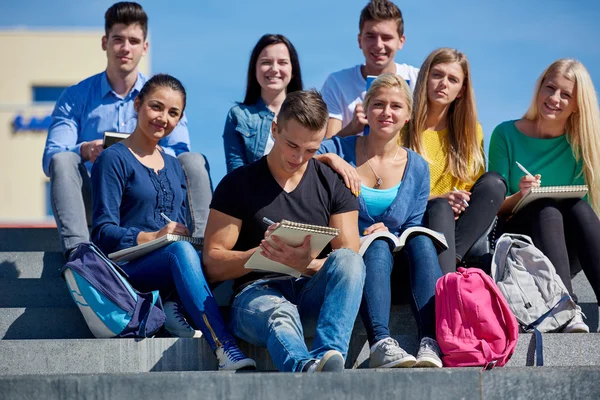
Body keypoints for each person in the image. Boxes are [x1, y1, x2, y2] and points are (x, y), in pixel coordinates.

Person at [91, 74, 256, 370]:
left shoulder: (174, 166)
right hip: (128, 269)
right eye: (156, 107)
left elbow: (179, 224)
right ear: (137, 104)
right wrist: (154, 236)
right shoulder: (112, 159)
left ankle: (174, 305)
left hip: (170, 263)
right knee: (180, 253)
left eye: (173, 113)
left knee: (215, 252)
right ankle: (224, 346)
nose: (163, 118)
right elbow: (102, 234)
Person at [202, 90, 366, 373]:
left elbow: (348, 261)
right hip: (256, 297)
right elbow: (212, 264)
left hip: (310, 293)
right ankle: (310, 370)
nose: (299, 157)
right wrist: (260, 256)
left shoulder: (333, 183)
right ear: (274, 129)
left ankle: (328, 356)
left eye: (312, 150)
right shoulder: (238, 184)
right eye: (292, 145)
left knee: (351, 260)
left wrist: (305, 264)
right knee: (281, 311)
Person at [42, 2, 212, 259]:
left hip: (148, 198)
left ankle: (201, 247)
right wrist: (87, 150)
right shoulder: (75, 97)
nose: (125, 48)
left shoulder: (164, 96)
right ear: (104, 42)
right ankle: (80, 255)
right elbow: (50, 157)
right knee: (63, 159)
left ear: (145, 47)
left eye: (133, 41)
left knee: (193, 160)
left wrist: (138, 153)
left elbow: (179, 153)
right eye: (118, 39)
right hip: (98, 198)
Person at [317, 74, 443, 368]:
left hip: (400, 270)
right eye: (379, 104)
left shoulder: (419, 167)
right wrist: (334, 160)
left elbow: (411, 221)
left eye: (396, 106)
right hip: (358, 260)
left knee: (420, 239)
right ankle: (381, 342)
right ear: (366, 108)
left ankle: (431, 340)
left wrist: (390, 230)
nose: (387, 112)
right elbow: (306, 156)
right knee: (376, 244)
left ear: (409, 115)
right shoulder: (340, 149)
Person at [489, 58, 600, 333]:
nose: (554, 98)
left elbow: (581, 217)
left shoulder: (581, 144)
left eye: (566, 95)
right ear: (539, 88)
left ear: (577, 105)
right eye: (549, 88)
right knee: (545, 207)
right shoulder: (505, 134)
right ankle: (566, 307)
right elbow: (493, 208)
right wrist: (521, 195)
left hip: (564, 246)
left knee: (578, 208)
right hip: (521, 241)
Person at [403, 47, 506, 274]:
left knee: (494, 183)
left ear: (460, 91)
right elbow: (398, 192)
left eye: (453, 79)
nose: (443, 84)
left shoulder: (472, 132)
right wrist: (440, 198)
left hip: (460, 225)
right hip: (422, 217)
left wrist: (459, 202)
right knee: (440, 207)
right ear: (424, 78)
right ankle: (449, 278)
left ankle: (454, 259)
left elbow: (472, 186)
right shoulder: (404, 127)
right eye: (437, 75)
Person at [321, 0, 419, 138]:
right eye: (371, 36)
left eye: (386, 37)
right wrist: (352, 128)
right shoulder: (337, 83)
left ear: (401, 41)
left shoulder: (418, 80)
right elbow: (326, 145)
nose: (378, 45)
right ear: (359, 40)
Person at [223, 34, 303, 173]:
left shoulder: (309, 114)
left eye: (282, 62)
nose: (274, 69)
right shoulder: (238, 116)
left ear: (293, 70)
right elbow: (236, 172)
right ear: (254, 69)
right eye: (266, 62)